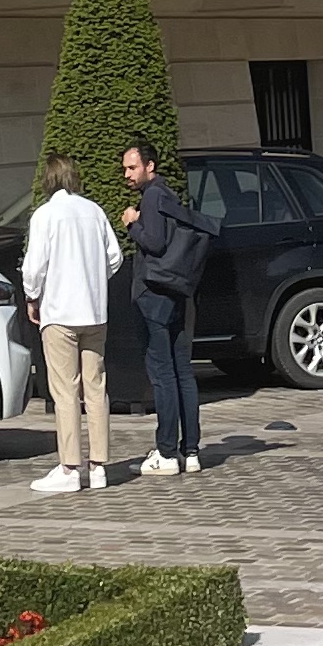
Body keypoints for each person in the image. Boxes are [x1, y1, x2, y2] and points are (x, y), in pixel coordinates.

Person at [20, 151, 117, 493]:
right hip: (94, 312)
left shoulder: (46, 215)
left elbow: (34, 266)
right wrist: (95, 281)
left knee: (65, 391)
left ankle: (70, 468)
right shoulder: (94, 211)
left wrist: (32, 296)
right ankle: (99, 466)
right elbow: (114, 257)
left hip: (60, 312)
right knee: (96, 387)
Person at [120, 135, 207, 475]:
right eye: (125, 168)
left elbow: (155, 243)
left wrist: (132, 223)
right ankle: (191, 450)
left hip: (155, 295)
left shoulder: (153, 197)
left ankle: (167, 453)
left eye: (132, 167)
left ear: (149, 166)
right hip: (177, 293)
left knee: (163, 374)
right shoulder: (169, 194)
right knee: (183, 371)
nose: (127, 174)